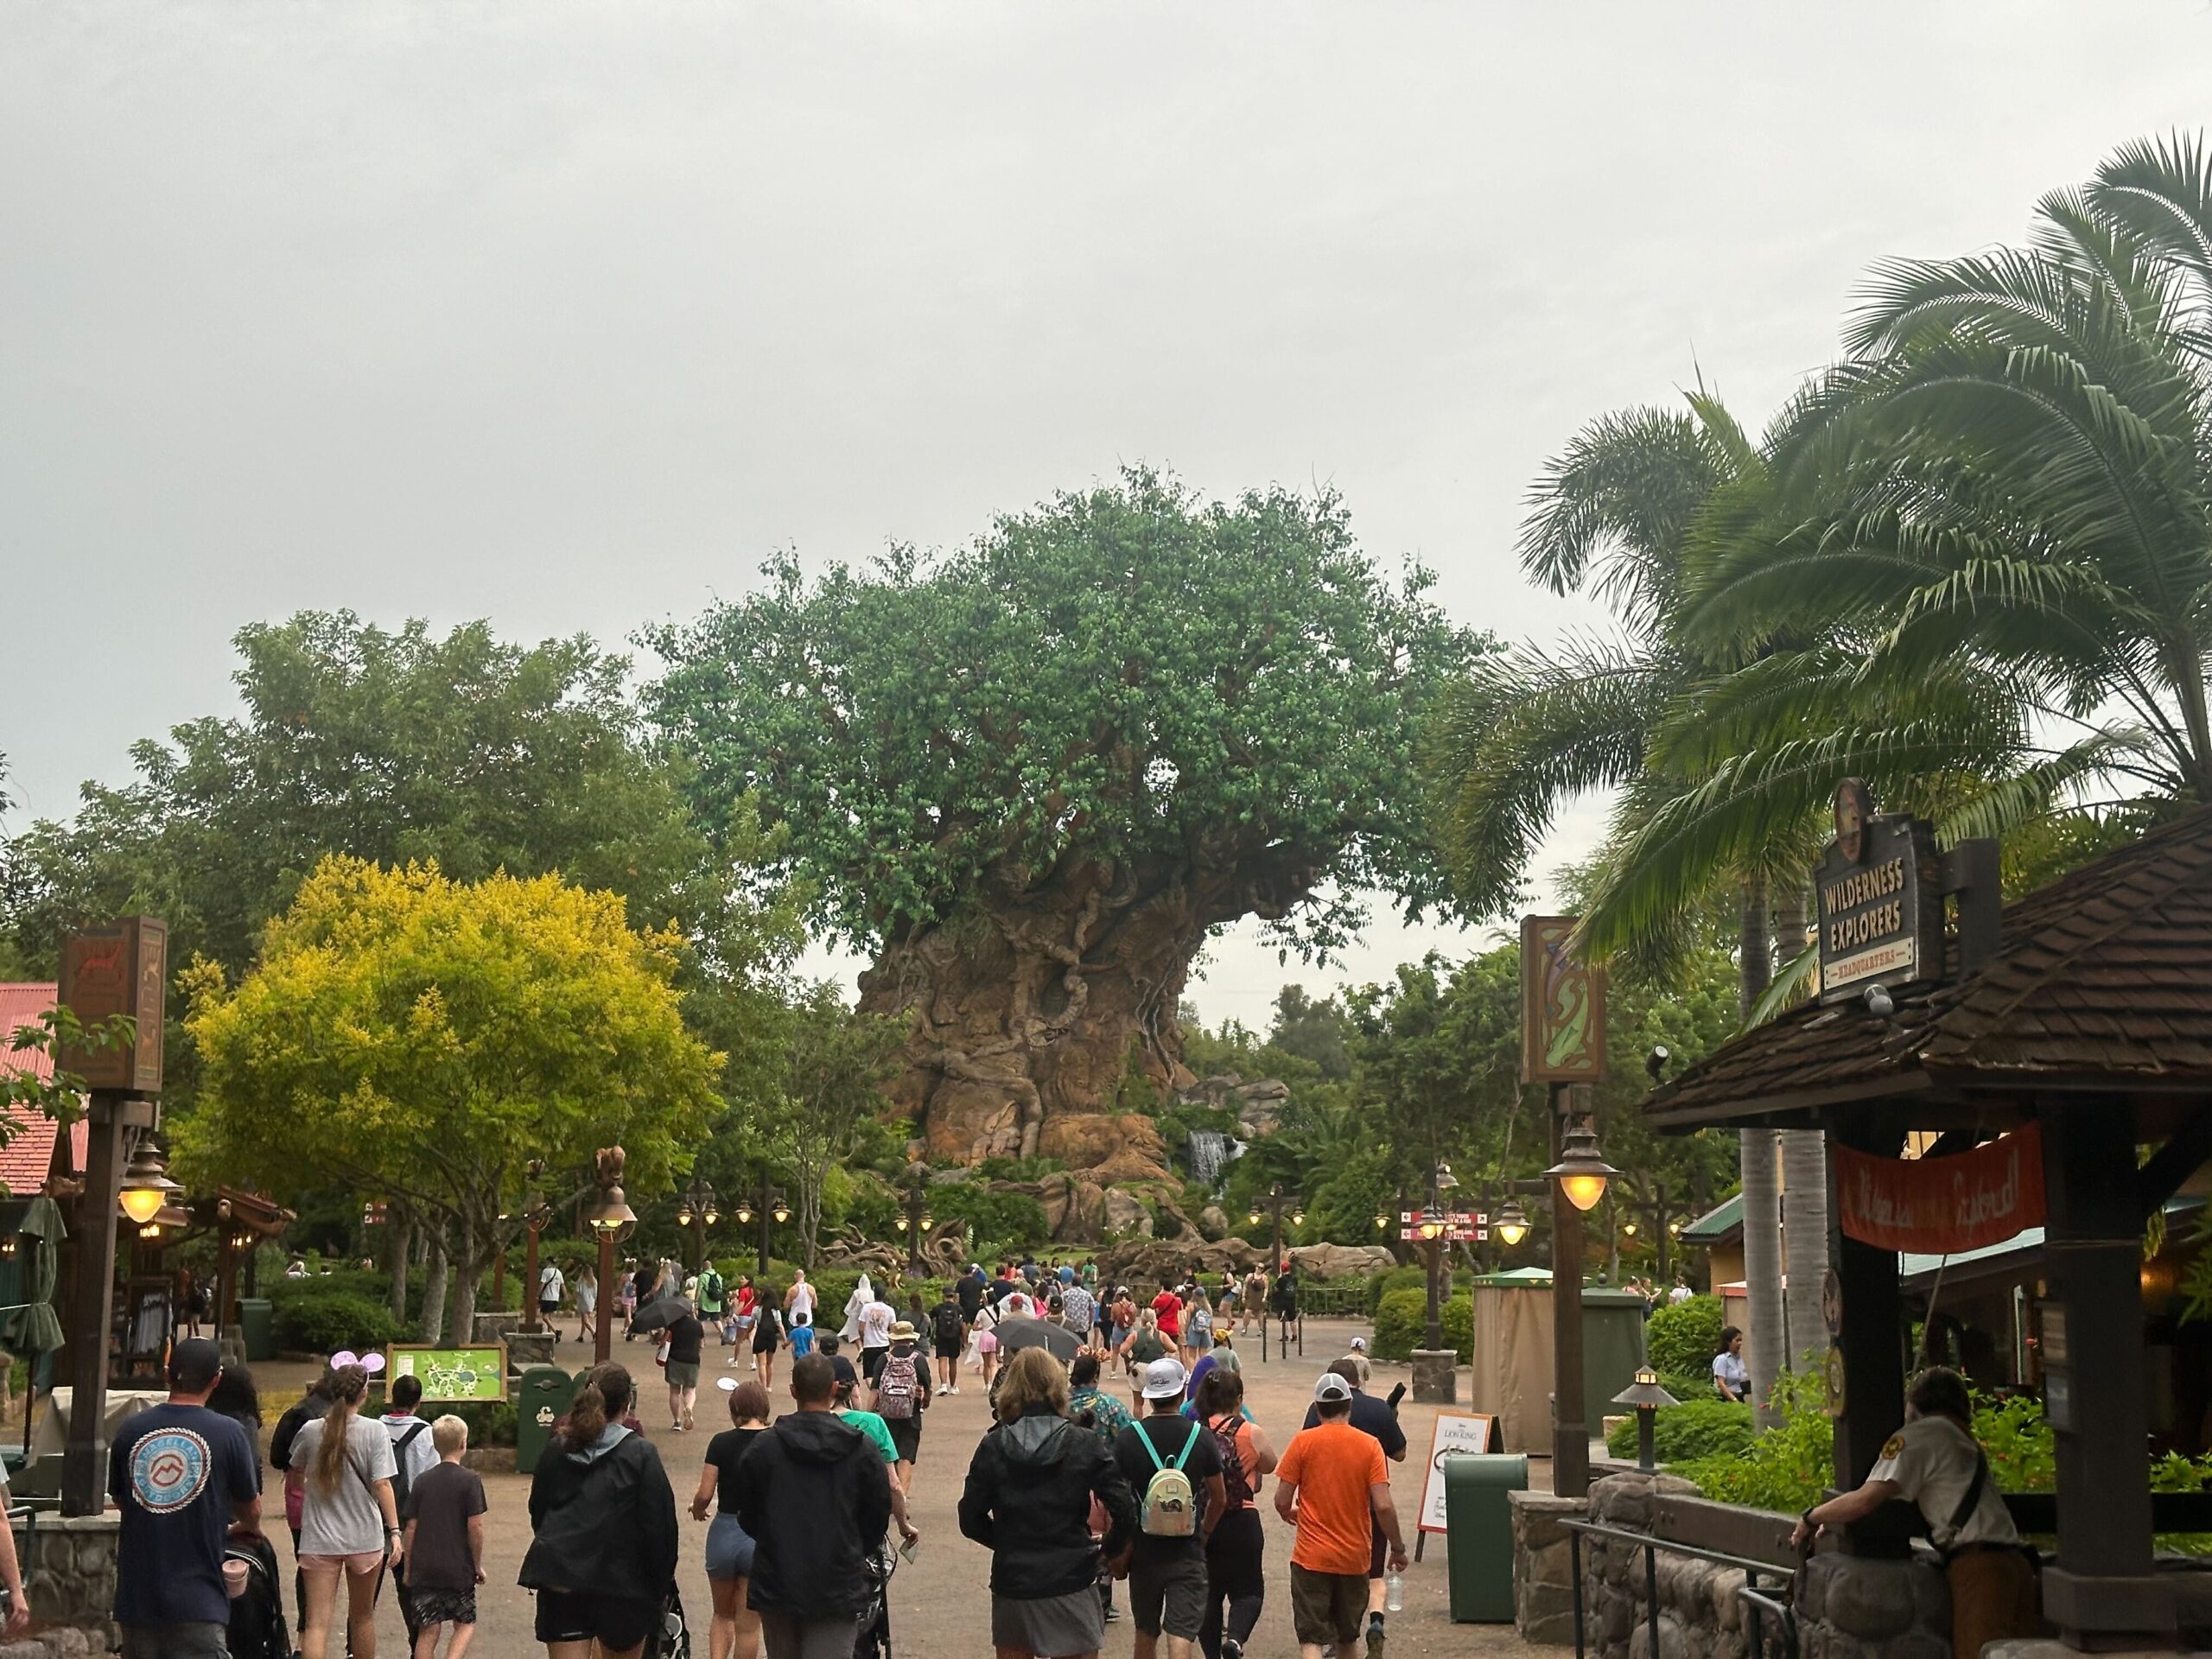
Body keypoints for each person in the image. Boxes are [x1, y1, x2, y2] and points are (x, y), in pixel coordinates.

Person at [1792, 1368, 2037, 1659]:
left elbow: (1865, 1499)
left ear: (1915, 1403)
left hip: (1979, 1569)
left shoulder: (1920, 1435)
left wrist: (1812, 1516)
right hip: (2016, 1564)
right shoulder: (1961, 1439)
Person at [959, 1346, 1139, 1659]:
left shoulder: (993, 1445)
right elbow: (1125, 1509)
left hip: (1014, 1581)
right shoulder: (1083, 1442)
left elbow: (969, 1518)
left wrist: (1007, 1543)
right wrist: (1104, 1552)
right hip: (1071, 1576)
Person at [730, 1353, 897, 1659]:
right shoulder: (862, 1450)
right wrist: (852, 1546)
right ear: (834, 1389)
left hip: (780, 1576)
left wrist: (772, 1539)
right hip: (838, 1577)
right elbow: (876, 1516)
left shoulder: (763, 1450)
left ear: (794, 1391)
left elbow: (747, 1513)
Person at [110, 1338, 255, 1659]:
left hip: (137, 1599)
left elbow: (122, 1499)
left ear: (166, 1374)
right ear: (216, 1380)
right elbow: (251, 1506)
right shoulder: (230, 1433)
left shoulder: (131, 1429)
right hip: (200, 1597)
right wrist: (242, 1525)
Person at [521, 1363, 678, 1659]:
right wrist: (658, 1586)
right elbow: (660, 1527)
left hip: (562, 1578)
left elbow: (539, 1509)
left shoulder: (558, 1449)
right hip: (623, 1584)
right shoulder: (641, 1454)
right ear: (627, 1404)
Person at [1274, 1372, 1408, 1659]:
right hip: (1354, 1557)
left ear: (1318, 1407)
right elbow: (1383, 1505)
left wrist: (1289, 1512)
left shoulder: (1302, 1442)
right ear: (1349, 1405)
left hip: (1311, 1557)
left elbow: (1282, 1498)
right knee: (1347, 1638)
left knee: (1311, 1638)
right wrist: (1397, 1548)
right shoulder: (1370, 1445)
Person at [1114, 1357, 1227, 1659]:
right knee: (1180, 1636)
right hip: (1187, 1549)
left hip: (1144, 1550)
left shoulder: (1128, 1437)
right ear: (1182, 1392)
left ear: (1149, 1395)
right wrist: (1203, 1534)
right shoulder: (1200, 1436)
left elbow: (1115, 1497)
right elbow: (1219, 1498)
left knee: (1145, 1631)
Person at [290, 1363, 402, 1659]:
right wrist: (395, 1531)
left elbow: (295, 1471)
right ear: (364, 1393)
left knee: (316, 1623)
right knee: (362, 1617)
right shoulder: (375, 1431)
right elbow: (382, 1485)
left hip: (319, 1538)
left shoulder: (311, 1431)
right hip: (364, 1537)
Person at [1194, 1368, 1276, 1659]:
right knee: (1249, 1591)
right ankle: (1236, 1640)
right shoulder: (1249, 1431)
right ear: (1238, 1398)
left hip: (1205, 1521)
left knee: (1209, 1595)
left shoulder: (1195, 1431)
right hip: (1242, 1518)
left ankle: (1212, 1655)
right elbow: (1270, 1464)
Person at [693, 1379, 773, 1659]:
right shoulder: (775, 1442)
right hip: (760, 1536)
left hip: (725, 1531)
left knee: (722, 1615)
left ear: (734, 1409)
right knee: (748, 1626)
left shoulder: (721, 1442)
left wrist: (697, 1509)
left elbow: (705, 1493)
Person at [402, 1414, 486, 1659]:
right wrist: (476, 1565)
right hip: (457, 1567)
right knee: (465, 1622)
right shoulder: (470, 1480)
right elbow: (475, 1526)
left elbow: (412, 1528)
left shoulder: (421, 1481)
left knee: (428, 1630)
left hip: (424, 1568)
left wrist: (408, 1569)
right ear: (463, 1443)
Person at [271, 1368, 339, 1631]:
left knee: (305, 1560)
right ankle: (315, 1621)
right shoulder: (332, 1418)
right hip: (324, 1494)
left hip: (296, 1495)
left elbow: (277, 1457)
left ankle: (306, 1623)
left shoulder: (294, 1412)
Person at [384, 1372, 442, 1649]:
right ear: (419, 1401)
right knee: (409, 1587)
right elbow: (430, 1478)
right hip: (410, 1521)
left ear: (391, 1397)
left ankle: (352, 1648)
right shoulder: (426, 1432)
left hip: (376, 1517)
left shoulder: (374, 1427)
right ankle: (416, 1644)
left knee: (363, 1596)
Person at [873, 1320, 930, 1491]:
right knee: (906, 1457)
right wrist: (924, 1402)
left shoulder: (884, 1359)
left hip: (886, 1414)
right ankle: (901, 1496)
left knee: (889, 1456)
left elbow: (875, 1389)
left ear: (893, 1339)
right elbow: (927, 1387)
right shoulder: (918, 1359)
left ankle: (889, 1493)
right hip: (911, 1413)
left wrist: (869, 1413)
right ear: (911, 1338)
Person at [665, 1296, 706, 1431]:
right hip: (692, 1359)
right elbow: (701, 1345)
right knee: (690, 1390)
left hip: (675, 1359)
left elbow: (665, 1340)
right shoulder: (697, 1325)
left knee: (674, 1391)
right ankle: (688, 1407)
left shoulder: (673, 1324)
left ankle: (676, 1422)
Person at [930, 1285, 967, 1396]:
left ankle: (943, 1385)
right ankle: (953, 1386)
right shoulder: (958, 1308)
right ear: (954, 1296)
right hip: (955, 1337)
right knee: (953, 1361)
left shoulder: (938, 1308)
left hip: (941, 1337)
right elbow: (963, 1326)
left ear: (943, 1296)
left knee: (942, 1360)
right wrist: (963, 1341)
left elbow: (930, 1319)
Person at [858, 1287, 895, 1385]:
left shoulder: (866, 1308)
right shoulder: (890, 1310)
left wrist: (863, 1339)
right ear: (885, 1295)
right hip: (884, 1343)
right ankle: (882, 1390)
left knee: (869, 1373)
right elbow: (893, 1330)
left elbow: (861, 1328)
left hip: (869, 1344)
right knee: (884, 1371)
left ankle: (873, 1391)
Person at [753, 1287, 785, 1393]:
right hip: (771, 1336)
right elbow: (780, 1326)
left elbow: (751, 1324)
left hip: (760, 1335)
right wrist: (785, 1340)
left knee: (761, 1363)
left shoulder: (757, 1309)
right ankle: (769, 1386)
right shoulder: (776, 1311)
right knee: (769, 1363)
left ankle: (763, 1385)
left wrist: (745, 1335)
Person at [973, 1294, 1005, 1390]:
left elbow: (974, 1327)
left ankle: (987, 1385)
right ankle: (993, 1385)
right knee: (993, 1364)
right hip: (996, 1337)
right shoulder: (1000, 1311)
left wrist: (982, 1327)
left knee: (986, 1364)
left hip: (985, 1337)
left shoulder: (982, 1312)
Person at [1713, 1326, 1749, 1402]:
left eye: (1741, 1340)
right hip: (1727, 1399)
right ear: (1729, 1342)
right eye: (1737, 1340)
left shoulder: (1738, 1358)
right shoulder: (1722, 1359)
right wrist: (1734, 1400)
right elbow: (1721, 1383)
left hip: (1739, 1396)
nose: (1740, 1343)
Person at [1184, 1291, 1214, 1367]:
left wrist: (1186, 1330)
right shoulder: (1208, 1307)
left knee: (1192, 1355)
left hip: (1194, 1331)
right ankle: (1203, 1372)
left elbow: (1188, 1320)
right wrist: (1212, 1332)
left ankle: (1192, 1373)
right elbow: (1211, 1321)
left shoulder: (1191, 1305)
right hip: (1205, 1331)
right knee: (1203, 1355)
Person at [538, 1259, 566, 1342]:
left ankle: (555, 1331)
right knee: (549, 1316)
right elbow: (563, 1285)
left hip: (547, 1297)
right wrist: (565, 1295)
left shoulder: (546, 1271)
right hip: (555, 1297)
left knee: (545, 1317)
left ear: (548, 1262)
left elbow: (542, 1284)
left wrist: (537, 1294)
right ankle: (550, 1334)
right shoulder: (558, 1272)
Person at [785, 1268, 817, 1337]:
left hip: (794, 1319)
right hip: (808, 1318)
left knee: (794, 1340)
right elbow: (815, 1305)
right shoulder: (811, 1289)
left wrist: (791, 1303)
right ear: (804, 1276)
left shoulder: (792, 1290)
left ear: (795, 1276)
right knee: (809, 1339)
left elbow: (786, 1306)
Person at [575, 1267, 599, 1345]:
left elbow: (577, 1291)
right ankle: (581, 1336)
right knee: (584, 1320)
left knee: (585, 1320)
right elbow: (596, 1293)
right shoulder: (594, 1281)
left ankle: (594, 1333)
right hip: (591, 1302)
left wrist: (572, 1299)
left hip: (583, 1301)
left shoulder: (581, 1281)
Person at [1241, 1268, 1267, 1336]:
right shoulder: (1250, 1276)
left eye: (1261, 1268)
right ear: (1256, 1268)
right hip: (1250, 1297)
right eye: (1259, 1267)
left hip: (1259, 1297)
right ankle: (1244, 1328)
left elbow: (1266, 1287)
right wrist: (1243, 1296)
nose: (1260, 1269)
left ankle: (1261, 1330)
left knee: (1260, 1314)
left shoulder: (1264, 1277)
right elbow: (1245, 1286)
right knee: (1247, 1312)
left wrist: (1264, 1297)